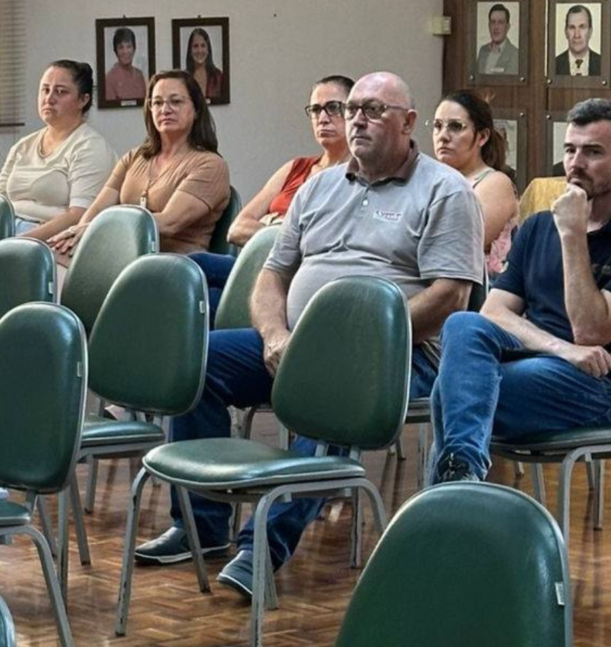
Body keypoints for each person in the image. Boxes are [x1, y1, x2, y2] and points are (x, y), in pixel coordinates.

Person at [133, 72, 483, 596]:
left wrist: (357, 340)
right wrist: (274, 335)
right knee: (197, 364)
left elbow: (450, 297)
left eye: (373, 110)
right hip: (293, 341)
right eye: (353, 110)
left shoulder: (444, 191)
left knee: (330, 387)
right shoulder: (318, 186)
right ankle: (200, 528)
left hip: (393, 355)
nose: (357, 120)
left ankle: (260, 550)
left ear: (409, 122)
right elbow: (271, 276)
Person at [429, 99, 611, 483]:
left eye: (593, 152)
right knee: (463, 325)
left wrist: (572, 235)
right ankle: (463, 482)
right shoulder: (537, 227)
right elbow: (494, 313)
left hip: (601, 389)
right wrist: (562, 349)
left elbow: (591, 332)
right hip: (540, 359)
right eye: (570, 150)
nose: (575, 163)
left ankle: (456, 497)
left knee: (454, 392)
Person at [189, 76, 354, 316]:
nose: (323, 117)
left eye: (333, 108)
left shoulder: (355, 175)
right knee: (190, 270)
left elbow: (323, 243)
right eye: (316, 110)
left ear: (353, 113)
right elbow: (237, 229)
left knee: (201, 294)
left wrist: (272, 223)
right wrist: (287, 233)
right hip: (258, 263)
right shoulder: (295, 168)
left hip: (298, 277)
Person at [46, 70, 230, 258]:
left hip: (172, 266)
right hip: (120, 255)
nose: (165, 109)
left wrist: (95, 229)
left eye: (176, 101)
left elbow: (168, 223)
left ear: (196, 109)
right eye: (157, 103)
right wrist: (76, 238)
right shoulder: (134, 157)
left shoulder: (211, 165)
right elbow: (95, 211)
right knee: (48, 259)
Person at [0, 60, 117, 240]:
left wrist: (20, 242)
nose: (49, 98)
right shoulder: (23, 146)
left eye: (60, 92)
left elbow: (79, 216)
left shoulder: (90, 147)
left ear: (83, 100)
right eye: (45, 90)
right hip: (8, 229)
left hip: (52, 239)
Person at [432, 91, 519, 278]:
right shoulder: (430, 181)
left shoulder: (495, 183)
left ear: (482, 137)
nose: (443, 136)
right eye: (437, 126)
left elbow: (463, 247)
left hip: (479, 293)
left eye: (455, 127)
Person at [554, 4, 602, 76]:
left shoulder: (603, 64)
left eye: (582, 27)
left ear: (590, 31)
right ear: (566, 32)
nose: (577, 35)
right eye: (572, 27)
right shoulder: (554, 65)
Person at [104, 27, 148, 102]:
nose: (125, 51)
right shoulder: (110, 78)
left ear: (134, 49)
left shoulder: (139, 75)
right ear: (115, 51)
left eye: (129, 46)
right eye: (121, 47)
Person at [475, 3, 521, 74]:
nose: (496, 27)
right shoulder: (483, 51)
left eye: (500, 22)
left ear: (507, 27)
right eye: (493, 22)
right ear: (489, 26)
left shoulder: (515, 55)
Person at [184, 28, 225, 99]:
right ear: (190, 50)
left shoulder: (218, 77)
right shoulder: (184, 78)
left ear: (208, 49)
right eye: (195, 46)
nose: (199, 51)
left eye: (203, 46)